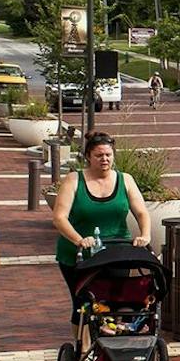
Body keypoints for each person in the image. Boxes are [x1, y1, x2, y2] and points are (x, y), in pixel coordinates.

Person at [51, 132, 151, 347]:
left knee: (114, 300)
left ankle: (112, 344)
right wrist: (78, 239)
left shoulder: (125, 180)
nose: (104, 159)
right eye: (99, 155)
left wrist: (145, 234)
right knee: (84, 303)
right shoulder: (74, 180)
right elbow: (59, 218)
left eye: (108, 155)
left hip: (116, 252)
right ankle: (83, 349)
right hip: (79, 254)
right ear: (88, 156)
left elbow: (141, 212)